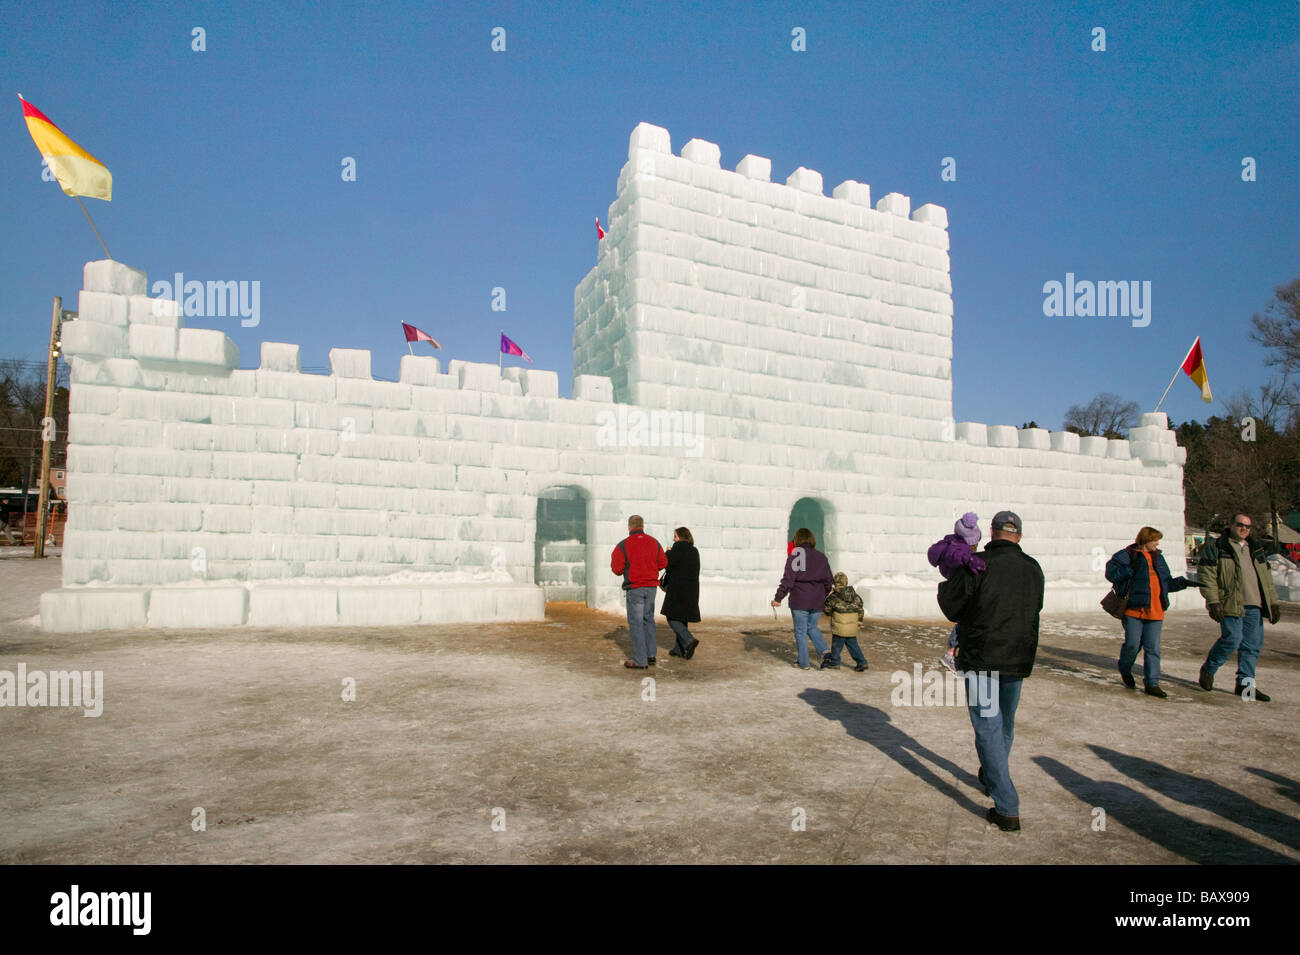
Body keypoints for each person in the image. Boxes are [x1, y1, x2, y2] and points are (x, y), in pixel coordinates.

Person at [938, 510, 1044, 833]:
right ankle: (992, 773)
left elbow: (951, 606)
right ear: (1019, 537)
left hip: (982, 658)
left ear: (992, 533)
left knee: (988, 728)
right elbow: (1035, 607)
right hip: (1017, 658)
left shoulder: (978, 564)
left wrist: (951, 577)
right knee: (1004, 724)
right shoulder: (1033, 568)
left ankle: (1006, 806)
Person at [1197, 512, 1282, 701]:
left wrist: (1273, 603)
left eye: (1247, 526)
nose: (1244, 529)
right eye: (1240, 525)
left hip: (1254, 605)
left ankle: (1245, 687)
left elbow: (1267, 579)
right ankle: (1209, 669)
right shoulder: (1217, 547)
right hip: (1230, 603)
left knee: (1252, 647)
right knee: (1232, 639)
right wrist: (1213, 601)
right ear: (1231, 525)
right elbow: (1207, 576)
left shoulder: (1256, 548)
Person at [1105, 527, 1191, 698]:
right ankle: (1125, 668)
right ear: (1145, 540)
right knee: (1132, 645)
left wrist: (1182, 583)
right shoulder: (1127, 555)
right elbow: (1111, 573)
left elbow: (1166, 582)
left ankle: (1152, 683)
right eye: (1154, 540)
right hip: (1133, 609)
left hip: (1156, 610)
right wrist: (1130, 569)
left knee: (1152, 648)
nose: (1157, 543)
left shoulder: (1158, 558)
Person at [927, 511, 987, 671]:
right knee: (964, 619)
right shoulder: (956, 549)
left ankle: (954, 650)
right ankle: (951, 652)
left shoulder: (953, 541)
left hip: (959, 582)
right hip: (958, 585)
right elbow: (955, 556)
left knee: (966, 618)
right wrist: (969, 559)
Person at [772, 527, 834, 669]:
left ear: (797, 539)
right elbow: (829, 582)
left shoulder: (795, 555)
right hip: (817, 600)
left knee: (800, 631)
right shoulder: (821, 556)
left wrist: (778, 597)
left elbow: (788, 579)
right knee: (812, 627)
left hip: (800, 599)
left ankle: (804, 663)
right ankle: (824, 651)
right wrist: (821, 595)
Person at [610, 515, 667, 670]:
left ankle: (641, 660)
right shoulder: (654, 542)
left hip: (635, 588)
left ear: (629, 527)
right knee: (648, 619)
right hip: (651, 588)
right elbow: (663, 562)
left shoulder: (623, 545)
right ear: (642, 526)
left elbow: (616, 568)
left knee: (636, 623)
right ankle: (651, 654)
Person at [660, 526, 701, 660]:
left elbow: (666, 564)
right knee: (681, 617)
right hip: (691, 590)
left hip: (678, 589)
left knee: (671, 617)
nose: (673, 539)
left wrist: (667, 552)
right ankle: (680, 649)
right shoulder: (694, 551)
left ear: (681, 537)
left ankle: (689, 640)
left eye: (675, 536)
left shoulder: (678, 547)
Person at [822, 572, 868, 671]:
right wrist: (859, 621)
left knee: (836, 645)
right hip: (852, 626)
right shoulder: (855, 595)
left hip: (839, 625)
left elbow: (827, 610)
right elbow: (860, 609)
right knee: (853, 645)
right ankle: (861, 662)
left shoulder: (834, 596)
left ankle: (835, 662)